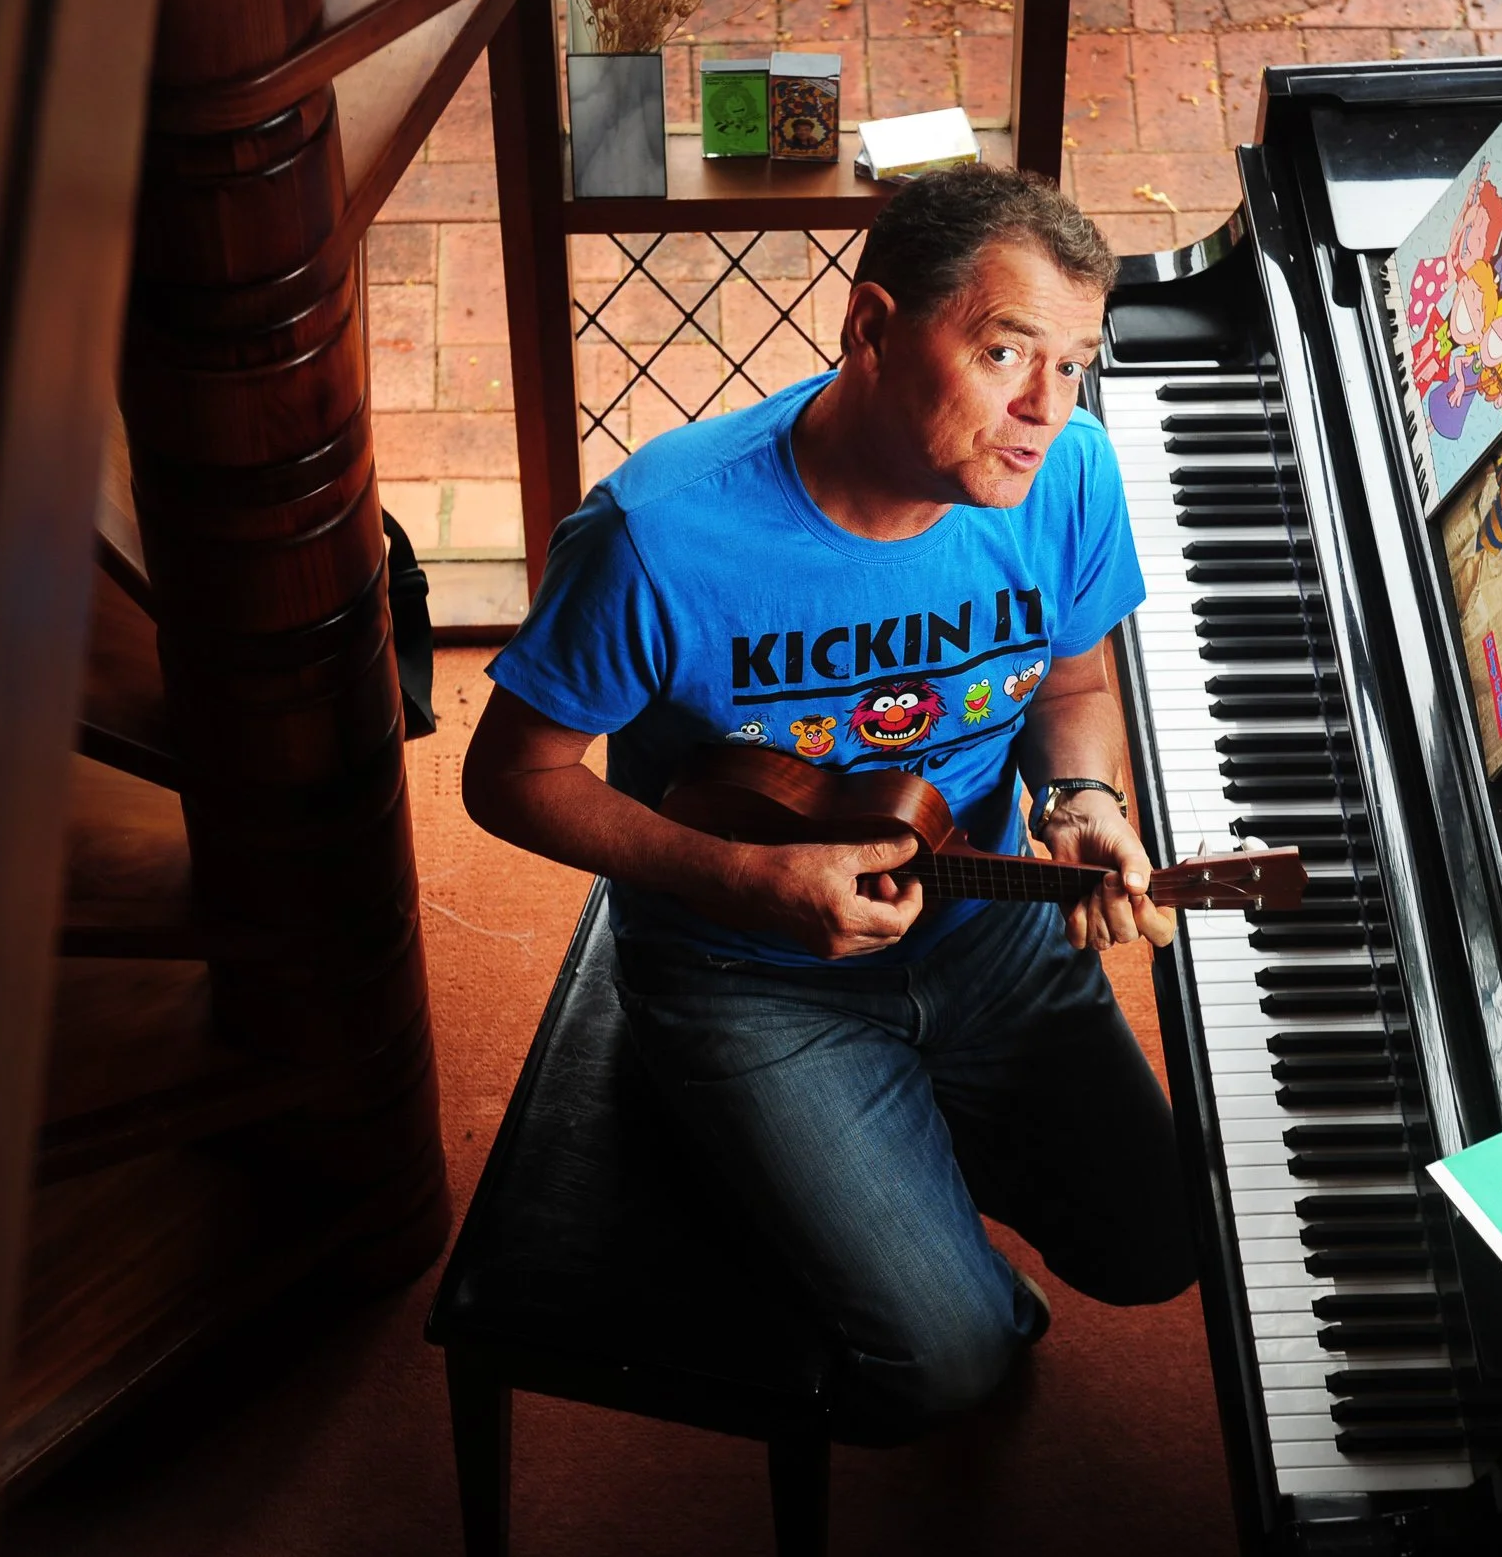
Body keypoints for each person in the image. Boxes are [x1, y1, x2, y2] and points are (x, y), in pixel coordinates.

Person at [461, 166, 1196, 1429]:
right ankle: (818, 1166)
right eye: (1005, 349)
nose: (1043, 408)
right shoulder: (659, 535)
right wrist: (744, 879)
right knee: (955, 1365)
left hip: (990, 936)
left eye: (1074, 362)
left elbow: (1072, 675)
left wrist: (1078, 791)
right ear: (870, 327)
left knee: (1161, 1247)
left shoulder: (1069, 474)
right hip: (748, 979)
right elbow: (506, 780)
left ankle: (883, 1160)